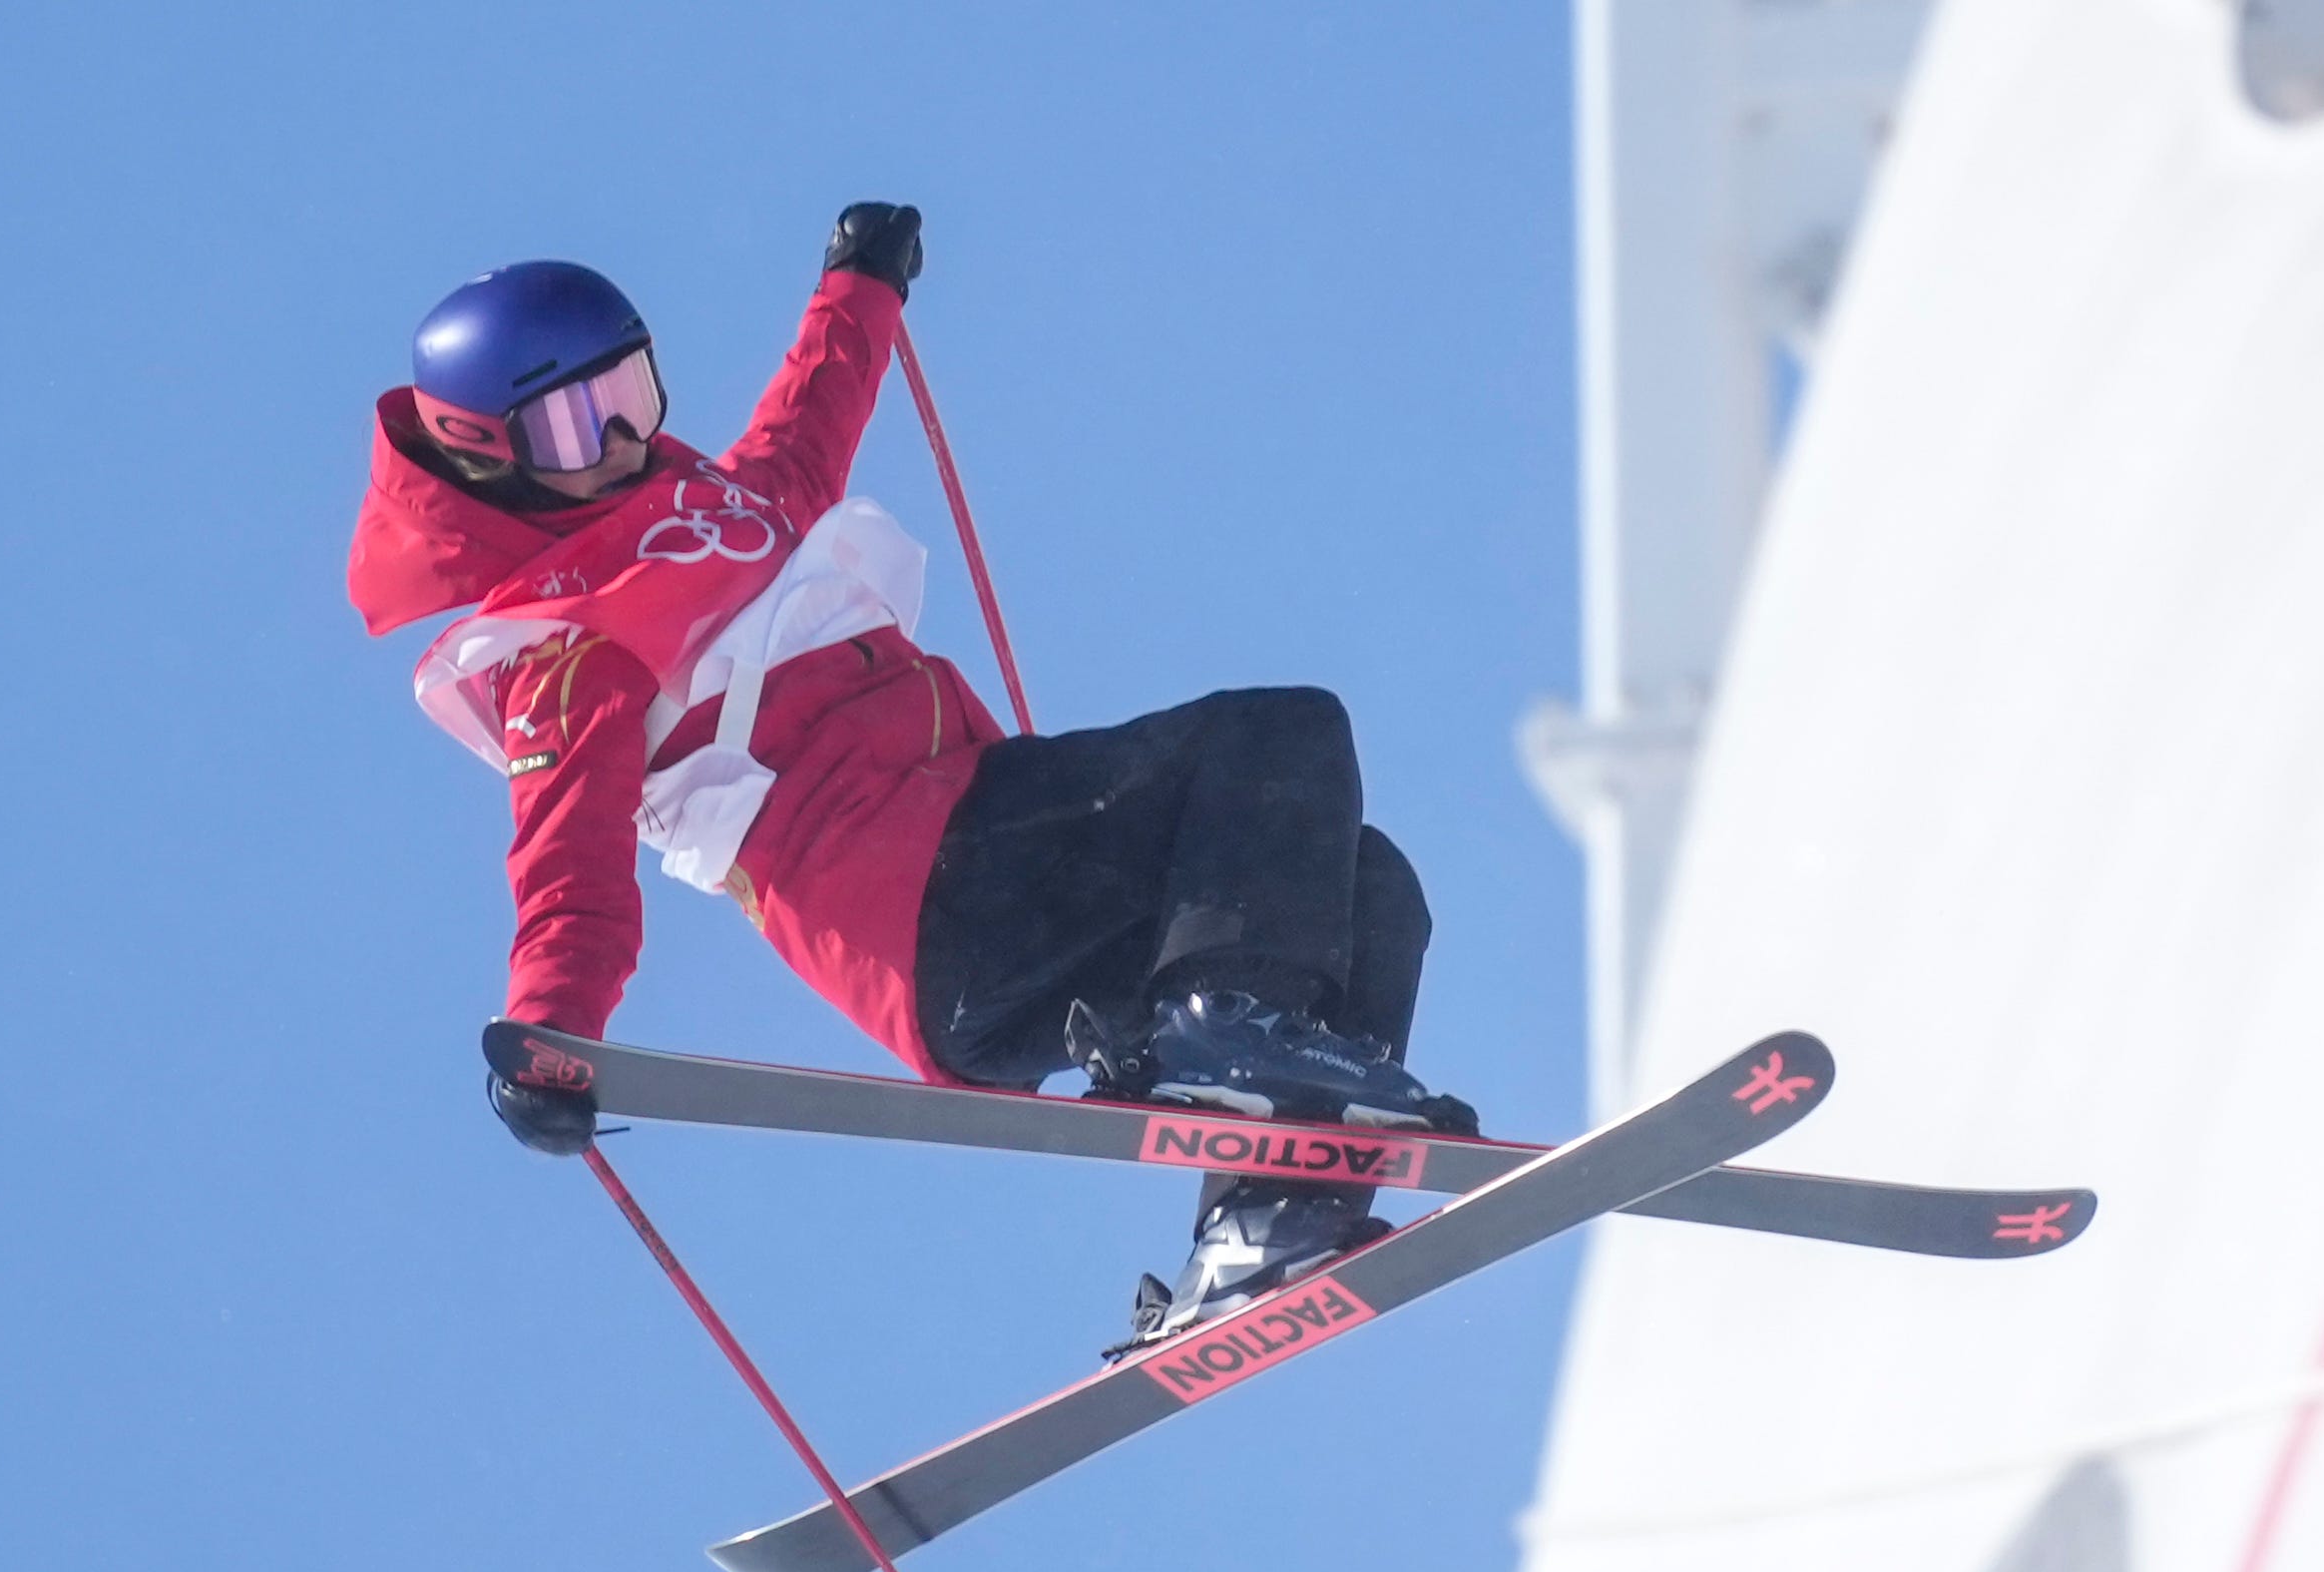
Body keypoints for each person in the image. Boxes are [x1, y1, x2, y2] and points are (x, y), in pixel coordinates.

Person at [345, 203, 1476, 1352]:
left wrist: (861, 284)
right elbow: (565, 862)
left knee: (1369, 885)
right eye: (578, 426)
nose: (626, 439)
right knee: (1277, 735)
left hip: (1007, 891)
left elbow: (806, 421)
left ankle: (1267, 1224)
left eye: (633, 391)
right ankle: (1230, 1031)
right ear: (488, 453)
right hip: (932, 904)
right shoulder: (558, 650)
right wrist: (551, 1030)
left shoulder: (724, 510)